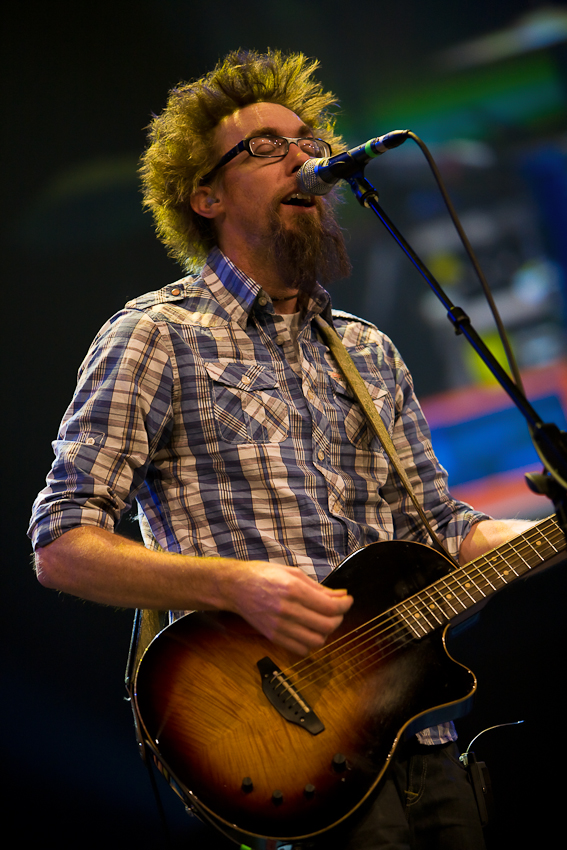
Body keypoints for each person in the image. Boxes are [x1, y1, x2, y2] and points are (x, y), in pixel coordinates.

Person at [29, 50, 530, 849]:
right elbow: (61, 545)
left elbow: (443, 533)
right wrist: (235, 586)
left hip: (422, 735)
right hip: (283, 747)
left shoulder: (367, 351)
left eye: (308, 140)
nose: (303, 157)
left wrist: (544, 531)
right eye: (265, 146)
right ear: (205, 196)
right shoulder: (156, 335)